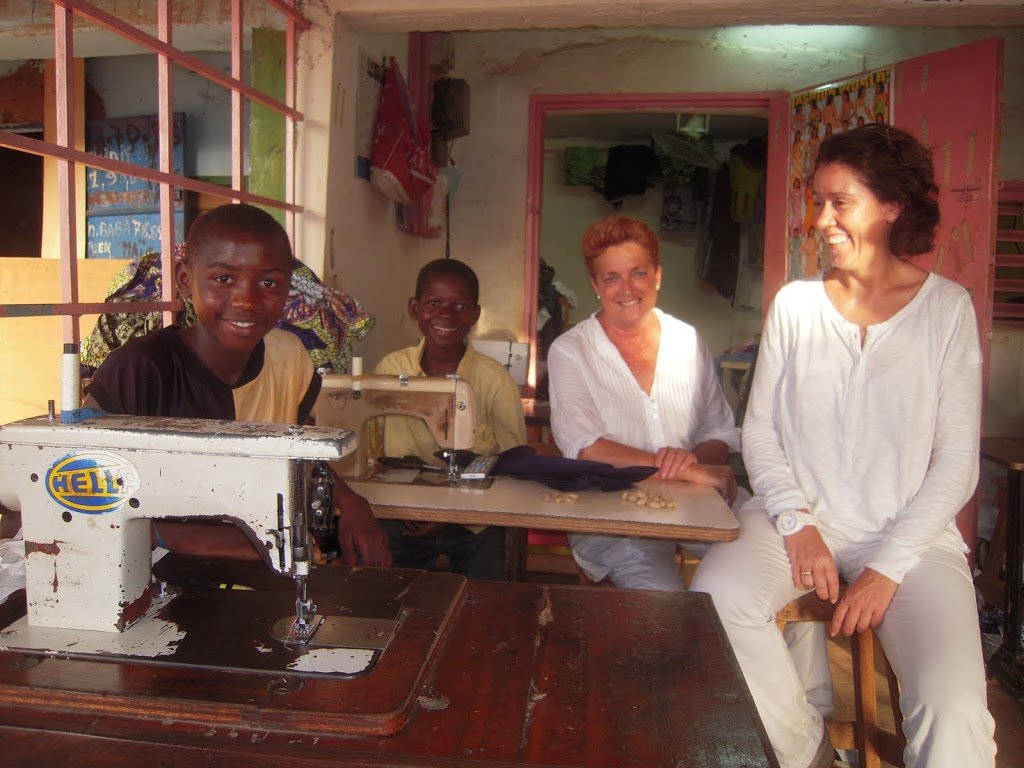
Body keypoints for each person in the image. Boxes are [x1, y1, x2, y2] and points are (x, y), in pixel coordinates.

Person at [691, 124, 997, 768]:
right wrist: (798, 523)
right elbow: (762, 431)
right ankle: (805, 752)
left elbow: (956, 463)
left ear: (891, 207)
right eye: (818, 202)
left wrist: (889, 565)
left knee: (955, 707)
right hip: (795, 522)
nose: (821, 221)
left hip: (910, 538)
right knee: (716, 603)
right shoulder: (796, 305)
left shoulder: (946, 310)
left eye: (840, 203)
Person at [83, 203, 392, 566]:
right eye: (224, 279)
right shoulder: (140, 370)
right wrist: (202, 539)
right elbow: (79, 494)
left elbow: (298, 454)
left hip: (248, 574)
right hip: (149, 574)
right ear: (185, 279)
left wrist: (351, 502)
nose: (247, 301)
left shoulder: (289, 358)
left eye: (269, 283)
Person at [546, 216, 742, 590]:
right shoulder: (571, 351)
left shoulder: (687, 341)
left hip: (696, 503)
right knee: (665, 609)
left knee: (778, 567)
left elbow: (718, 428)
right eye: (611, 278)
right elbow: (585, 448)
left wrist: (696, 463)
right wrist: (682, 470)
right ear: (595, 286)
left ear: (658, 276)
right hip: (612, 517)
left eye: (638, 273)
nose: (627, 289)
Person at [372, 258, 527, 580]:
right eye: (434, 303)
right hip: (403, 514)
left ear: (475, 314)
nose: (446, 314)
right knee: (386, 590)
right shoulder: (390, 370)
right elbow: (371, 451)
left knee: (488, 597)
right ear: (415, 308)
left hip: (473, 520)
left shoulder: (494, 381)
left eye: (461, 306)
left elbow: (512, 463)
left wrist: (450, 512)